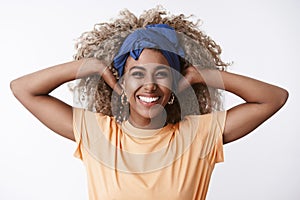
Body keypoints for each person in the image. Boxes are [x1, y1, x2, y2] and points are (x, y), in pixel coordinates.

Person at [10, 6, 288, 200]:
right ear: (121, 82)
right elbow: (23, 89)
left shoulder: (198, 137)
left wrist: (203, 75)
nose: (150, 85)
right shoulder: (98, 133)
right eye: (137, 74)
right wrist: (92, 65)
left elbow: (273, 98)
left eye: (162, 74)